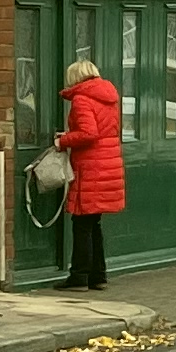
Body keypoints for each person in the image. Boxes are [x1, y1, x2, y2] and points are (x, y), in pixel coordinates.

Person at [52, 56, 126, 290]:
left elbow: (88, 133)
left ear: (76, 77)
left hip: (91, 166)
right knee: (93, 222)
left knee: (82, 222)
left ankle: (79, 276)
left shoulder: (82, 99)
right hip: (108, 163)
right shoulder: (109, 98)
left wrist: (62, 141)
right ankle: (98, 275)